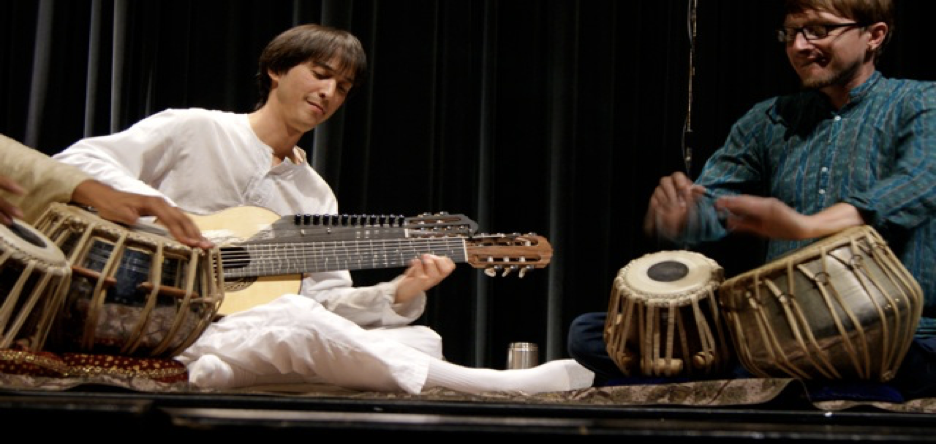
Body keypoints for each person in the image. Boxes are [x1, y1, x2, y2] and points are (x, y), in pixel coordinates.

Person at [53, 23, 593, 395]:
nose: (329, 91)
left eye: (343, 86)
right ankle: (491, 385)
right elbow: (78, 160)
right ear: (276, 69)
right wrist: (168, 215)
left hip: (242, 328)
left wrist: (400, 292)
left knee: (417, 338)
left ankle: (223, 373)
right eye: (319, 73)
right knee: (297, 322)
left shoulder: (315, 194)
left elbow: (326, 303)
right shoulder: (195, 128)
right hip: (149, 308)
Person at [567, 0, 936, 398]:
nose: (799, 46)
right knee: (591, 333)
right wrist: (686, 215)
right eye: (791, 33)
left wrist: (807, 226)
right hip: (782, 330)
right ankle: (795, 380)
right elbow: (714, 201)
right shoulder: (770, 119)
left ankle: (791, 381)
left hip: (896, 331)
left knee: (874, 354)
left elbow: (916, 184)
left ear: (874, 35)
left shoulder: (919, 102)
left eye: (818, 30)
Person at [0, 133, 211, 249]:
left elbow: (16, 159)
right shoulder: (196, 126)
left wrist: (101, 194)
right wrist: (102, 194)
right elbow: (81, 157)